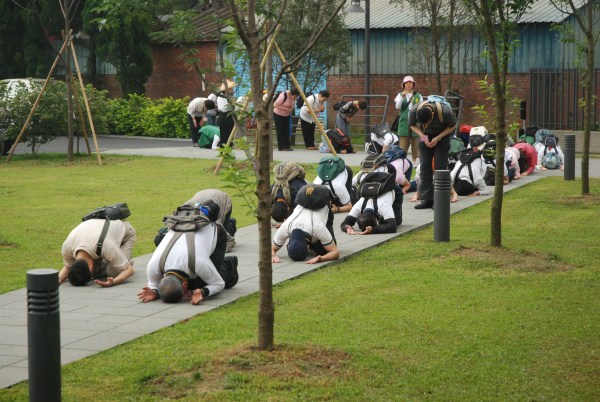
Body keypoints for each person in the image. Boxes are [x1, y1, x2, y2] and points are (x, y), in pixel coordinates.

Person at [138, 201, 232, 304]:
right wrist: (155, 292)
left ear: (184, 285)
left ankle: (229, 264)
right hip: (187, 221)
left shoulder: (198, 262)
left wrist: (203, 291)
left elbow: (219, 284)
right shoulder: (153, 265)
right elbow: (153, 284)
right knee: (198, 281)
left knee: (205, 280)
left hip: (217, 232)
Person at [271, 185, 340, 264]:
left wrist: (321, 258)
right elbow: (271, 249)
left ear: (308, 247)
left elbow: (335, 252)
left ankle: (311, 245)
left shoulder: (318, 227)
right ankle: (307, 244)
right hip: (303, 197)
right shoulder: (286, 226)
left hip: (322, 200)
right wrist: (273, 255)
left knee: (323, 251)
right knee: (297, 250)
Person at [59, 218, 136, 287]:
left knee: (113, 272)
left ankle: (126, 260)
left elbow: (129, 270)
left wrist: (113, 282)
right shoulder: (67, 248)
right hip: (98, 232)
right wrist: (57, 281)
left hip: (125, 232)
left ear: (91, 267)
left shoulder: (106, 246)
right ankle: (117, 258)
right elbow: (68, 267)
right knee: (99, 269)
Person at [409, 100, 457, 209]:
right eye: (423, 123)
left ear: (432, 114)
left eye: (427, 122)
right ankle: (426, 199)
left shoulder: (444, 111)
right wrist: (423, 137)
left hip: (442, 138)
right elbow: (412, 125)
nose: (425, 125)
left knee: (440, 168)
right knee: (425, 167)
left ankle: (440, 199)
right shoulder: (414, 111)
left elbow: (452, 126)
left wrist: (438, 137)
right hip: (425, 137)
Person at [393, 76, 423, 163]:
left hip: (415, 123)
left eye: (411, 83)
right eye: (407, 83)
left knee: (416, 145)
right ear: (404, 85)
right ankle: (402, 163)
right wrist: (402, 97)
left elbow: (421, 108)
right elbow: (397, 107)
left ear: (413, 84)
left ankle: (416, 164)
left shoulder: (418, 95)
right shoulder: (399, 95)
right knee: (403, 147)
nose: (409, 84)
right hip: (403, 124)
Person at [216, 79, 237, 147]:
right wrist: (231, 106)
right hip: (225, 116)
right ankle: (224, 149)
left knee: (230, 133)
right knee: (225, 134)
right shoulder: (221, 96)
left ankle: (229, 147)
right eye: (230, 88)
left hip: (229, 115)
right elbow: (222, 108)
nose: (232, 89)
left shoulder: (228, 96)